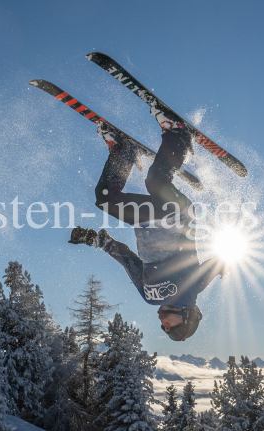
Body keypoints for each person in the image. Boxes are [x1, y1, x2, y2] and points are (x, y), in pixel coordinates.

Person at [68, 102, 225, 341]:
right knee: (155, 182)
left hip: (144, 221)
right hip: (178, 216)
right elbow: (213, 265)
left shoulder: (149, 297)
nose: (164, 326)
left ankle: (124, 152)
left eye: (165, 330)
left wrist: (94, 239)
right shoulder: (190, 292)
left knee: (105, 199)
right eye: (172, 328)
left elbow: (127, 259)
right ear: (187, 317)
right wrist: (223, 264)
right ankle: (177, 135)